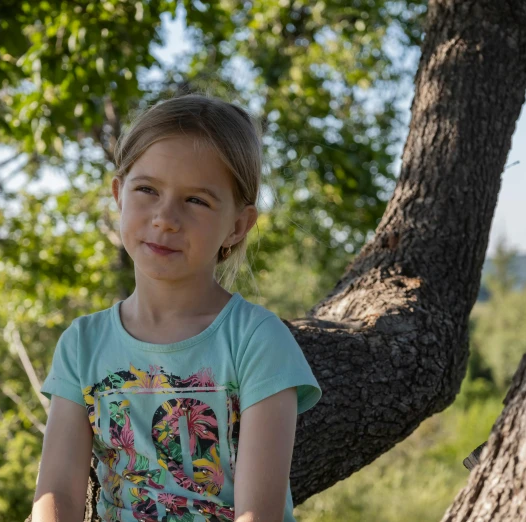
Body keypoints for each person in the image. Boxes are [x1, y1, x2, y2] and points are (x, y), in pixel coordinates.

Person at [31, 94, 322, 522]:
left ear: (237, 227)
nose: (165, 218)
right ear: (118, 194)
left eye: (196, 201)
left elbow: (258, 515)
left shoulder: (256, 340)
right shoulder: (83, 344)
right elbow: (57, 496)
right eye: (147, 189)